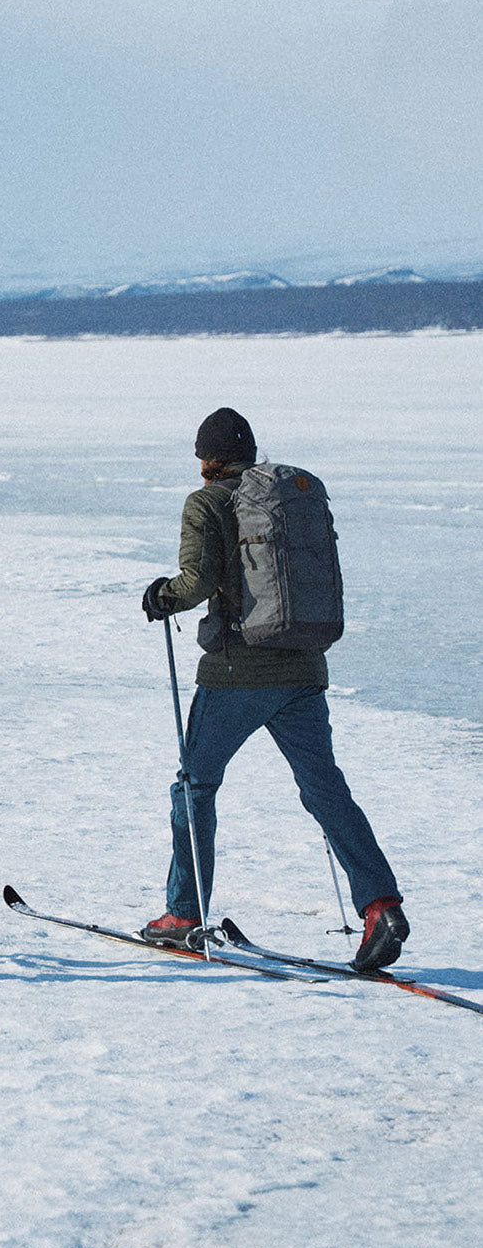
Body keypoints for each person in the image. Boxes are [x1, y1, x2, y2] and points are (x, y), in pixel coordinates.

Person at [139, 406, 408, 972]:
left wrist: (162, 595)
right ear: (251, 452)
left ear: (204, 458)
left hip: (239, 672)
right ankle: (379, 904)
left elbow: (198, 582)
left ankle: (184, 914)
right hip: (304, 669)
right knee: (324, 789)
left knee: (195, 786)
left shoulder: (208, 502)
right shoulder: (288, 500)